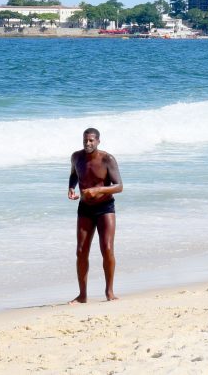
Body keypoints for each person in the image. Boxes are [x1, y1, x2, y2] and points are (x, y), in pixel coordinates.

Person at [68, 128, 123, 303]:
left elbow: (119, 186)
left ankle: (109, 292)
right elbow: (74, 174)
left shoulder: (107, 159)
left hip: (105, 208)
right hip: (85, 207)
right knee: (81, 251)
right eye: (85, 140)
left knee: (107, 249)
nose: (87, 143)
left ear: (98, 141)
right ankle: (82, 295)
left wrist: (98, 189)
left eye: (91, 140)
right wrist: (71, 187)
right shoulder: (76, 157)